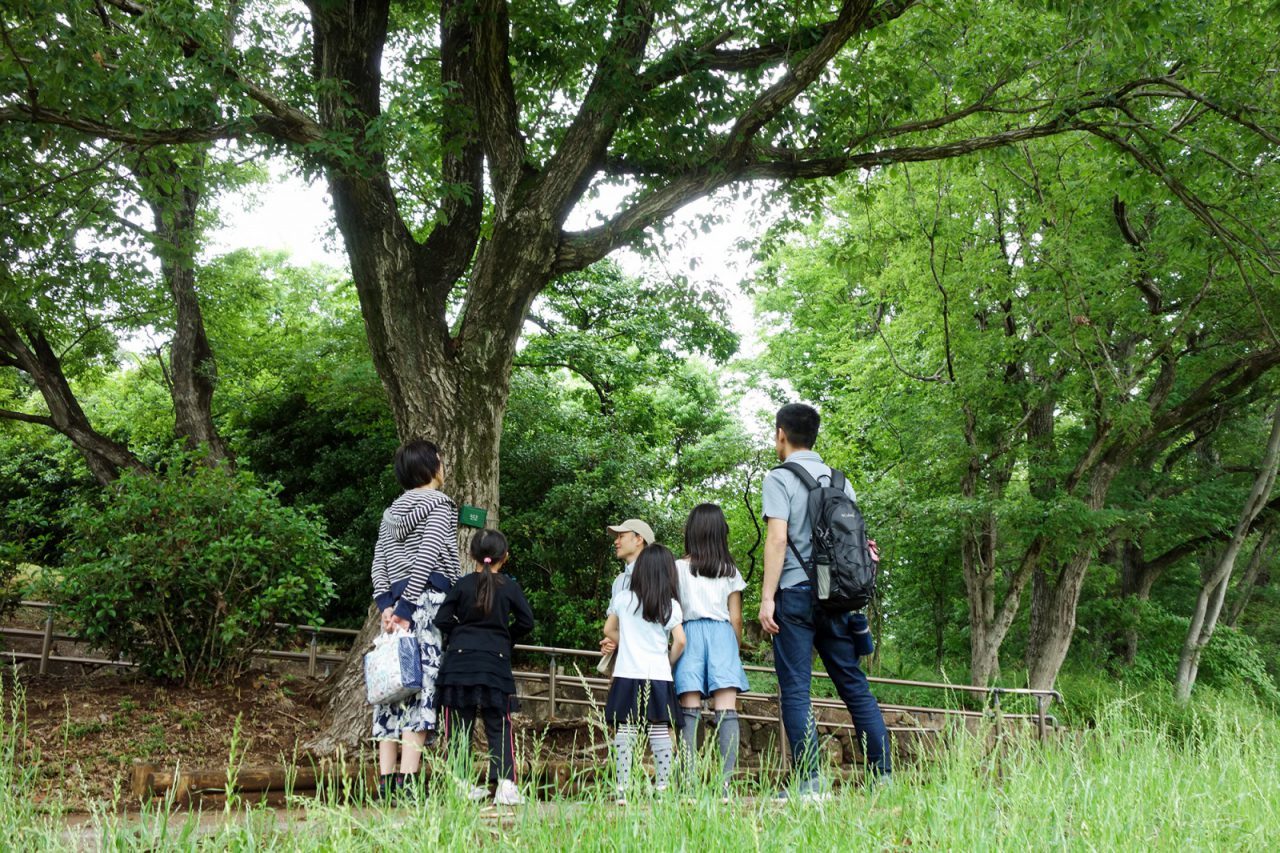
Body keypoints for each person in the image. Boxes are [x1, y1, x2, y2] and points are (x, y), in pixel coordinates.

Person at [758, 403, 891, 798]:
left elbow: (778, 539)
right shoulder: (841, 482)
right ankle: (882, 776)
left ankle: (810, 782)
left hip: (797, 594)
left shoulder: (778, 478)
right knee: (854, 685)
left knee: (797, 689)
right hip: (836, 597)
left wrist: (767, 598)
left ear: (781, 433)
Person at [369, 439, 462, 799]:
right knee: (420, 688)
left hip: (394, 608)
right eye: (440, 459)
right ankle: (408, 783)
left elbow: (378, 564)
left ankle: (385, 782)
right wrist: (408, 609)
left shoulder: (391, 511)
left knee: (391, 690)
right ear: (431, 465)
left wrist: (387, 606)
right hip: (424, 606)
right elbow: (427, 556)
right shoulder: (440, 504)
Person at [434, 529, 535, 807]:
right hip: (495, 662)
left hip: (459, 662)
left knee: (458, 726)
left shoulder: (463, 584)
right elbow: (527, 622)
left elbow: (442, 618)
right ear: (505, 557)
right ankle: (505, 785)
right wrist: (505, 638)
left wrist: (460, 634)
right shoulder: (510, 587)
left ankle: (459, 784)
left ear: (472, 555)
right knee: (499, 724)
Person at [672, 503, 749, 797]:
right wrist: (735, 648)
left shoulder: (678, 568)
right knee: (727, 711)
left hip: (689, 633)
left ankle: (688, 785)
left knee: (689, 711)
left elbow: (673, 611)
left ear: (692, 531)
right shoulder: (729, 570)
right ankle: (726, 785)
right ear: (721, 533)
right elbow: (737, 617)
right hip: (722, 636)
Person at [602, 543, 686, 804]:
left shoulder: (623, 599)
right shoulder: (669, 605)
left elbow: (608, 629)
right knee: (659, 730)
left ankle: (622, 789)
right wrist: (668, 661)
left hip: (627, 673)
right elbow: (680, 641)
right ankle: (662, 788)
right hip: (658, 675)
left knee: (625, 731)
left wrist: (625, 640)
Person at [599, 518, 656, 662]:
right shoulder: (620, 580)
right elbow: (614, 623)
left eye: (621, 536)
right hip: (620, 662)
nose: (616, 542)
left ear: (638, 539)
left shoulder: (657, 579)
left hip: (647, 662)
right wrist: (610, 640)